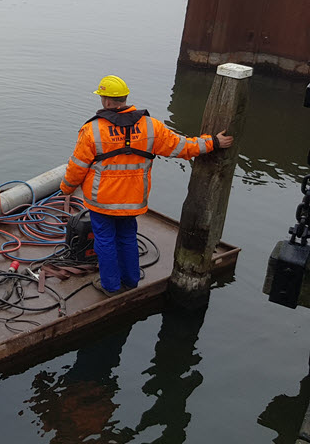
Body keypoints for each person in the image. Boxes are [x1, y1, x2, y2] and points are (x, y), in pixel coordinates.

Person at [59, 75, 233, 295]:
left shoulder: (92, 131)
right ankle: (131, 281)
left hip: (101, 201)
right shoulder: (151, 126)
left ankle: (110, 285)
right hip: (132, 200)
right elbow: (181, 147)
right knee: (127, 237)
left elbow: (77, 167)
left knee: (105, 241)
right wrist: (213, 142)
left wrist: (65, 189)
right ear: (125, 98)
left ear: (106, 100)